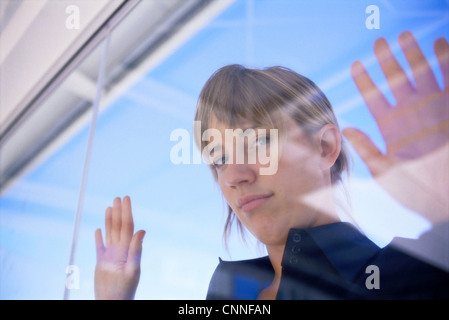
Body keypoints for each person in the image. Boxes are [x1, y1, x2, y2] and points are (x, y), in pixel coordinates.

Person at [94, 31, 449, 300]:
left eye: (259, 142)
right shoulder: (226, 294)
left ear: (325, 147)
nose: (234, 176)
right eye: (219, 159)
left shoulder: (402, 281)